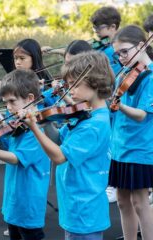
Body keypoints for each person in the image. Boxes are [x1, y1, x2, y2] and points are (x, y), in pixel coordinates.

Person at [20, 51, 114, 239]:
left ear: (95, 83)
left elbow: (59, 156)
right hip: (75, 204)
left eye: (75, 84)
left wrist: (34, 127)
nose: (70, 90)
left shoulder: (93, 125)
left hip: (84, 209)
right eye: (69, 84)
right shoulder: (85, 115)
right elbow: (57, 139)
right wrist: (44, 122)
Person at [0, 69, 50, 240]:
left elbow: (16, 159)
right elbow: (10, 147)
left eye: (12, 101)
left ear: (30, 99)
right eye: (5, 102)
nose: (8, 107)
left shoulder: (36, 131)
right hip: (13, 201)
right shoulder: (18, 127)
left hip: (28, 203)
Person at [109, 25, 153, 240]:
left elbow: (142, 115)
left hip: (140, 148)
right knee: (122, 201)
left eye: (124, 51)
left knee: (140, 202)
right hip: (120, 148)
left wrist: (119, 105)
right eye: (117, 54)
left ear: (141, 45)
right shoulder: (124, 75)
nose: (121, 57)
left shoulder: (151, 76)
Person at [0, 39, 55, 108]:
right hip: (13, 116)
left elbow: (52, 103)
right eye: (15, 58)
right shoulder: (12, 79)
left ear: (34, 58)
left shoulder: (42, 80)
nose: (17, 62)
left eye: (22, 58)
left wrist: (40, 90)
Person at [90, 6, 122, 75]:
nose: (95, 31)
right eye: (94, 27)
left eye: (99, 27)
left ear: (113, 27)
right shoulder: (100, 47)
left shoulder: (121, 49)